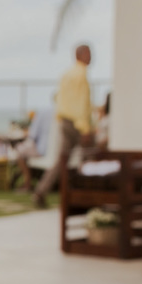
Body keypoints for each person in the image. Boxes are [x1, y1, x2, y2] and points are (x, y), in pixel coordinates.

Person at [34, 44, 96, 207]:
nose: (91, 57)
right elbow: (81, 104)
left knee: (62, 160)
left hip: (65, 122)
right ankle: (88, 197)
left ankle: (42, 190)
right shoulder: (81, 74)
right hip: (77, 124)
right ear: (80, 55)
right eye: (88, 53)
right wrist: (85, 129)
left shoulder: (66, 74)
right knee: (90, 157)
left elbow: (59, 100)